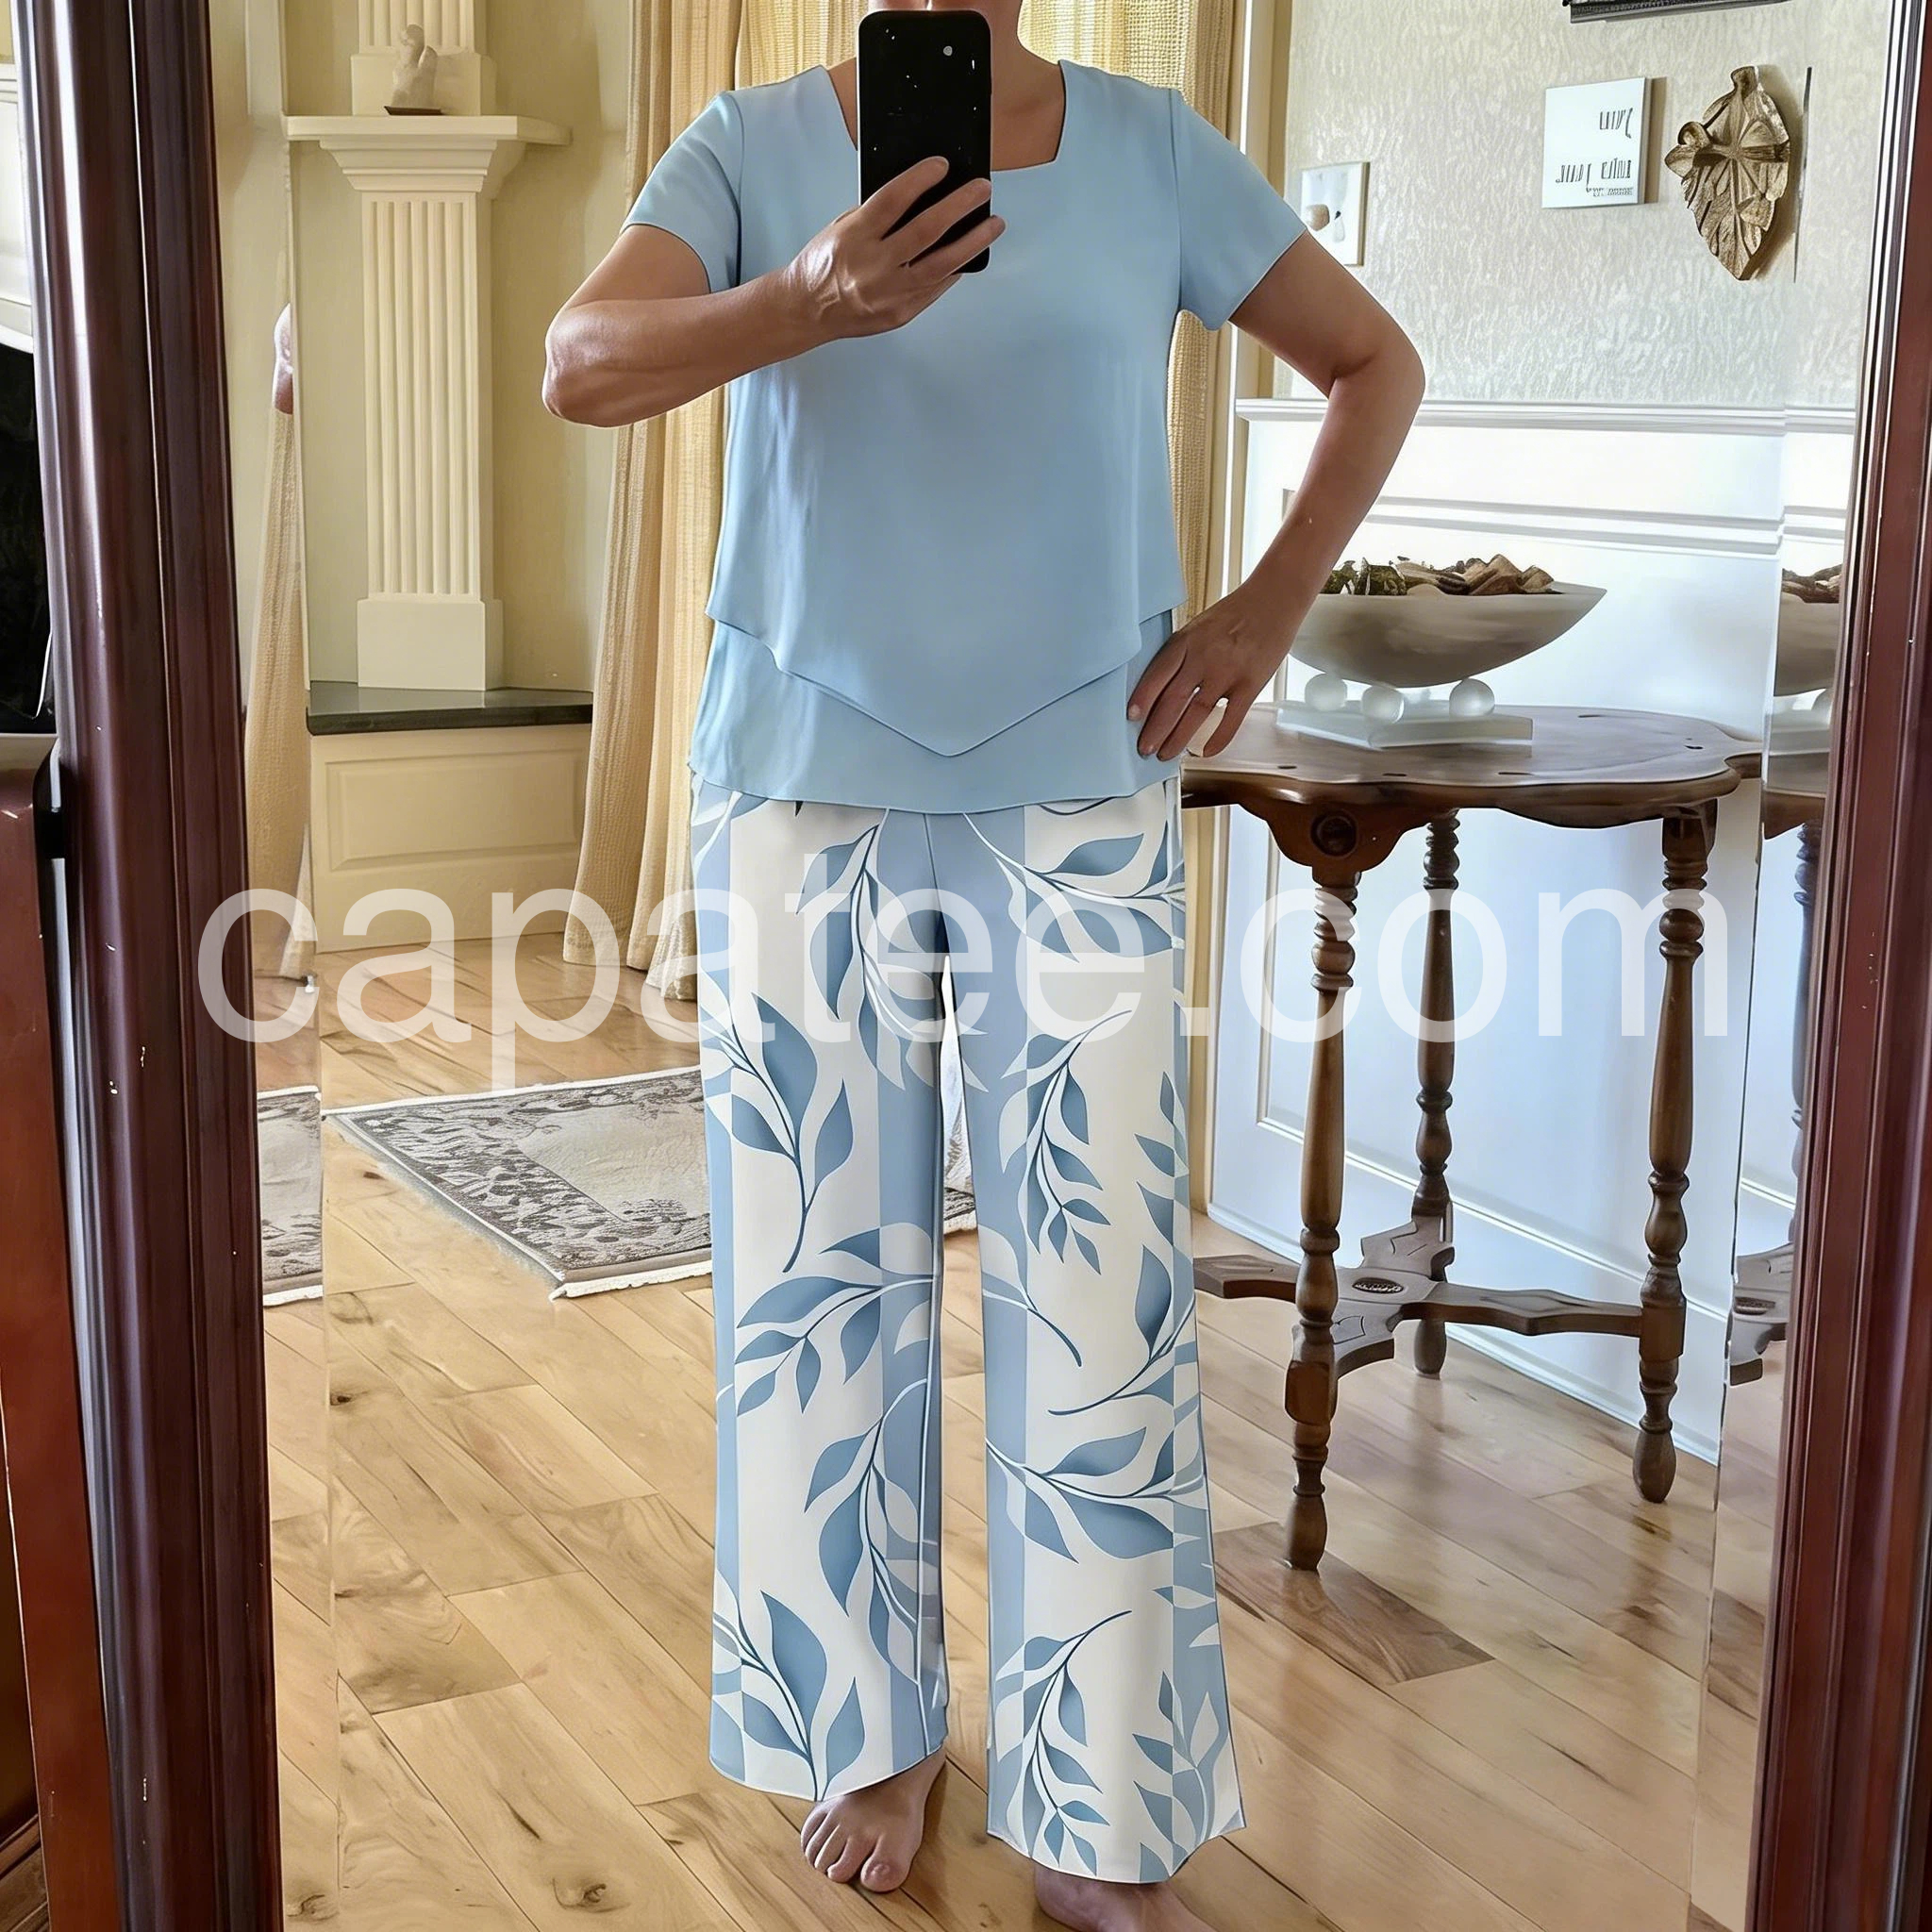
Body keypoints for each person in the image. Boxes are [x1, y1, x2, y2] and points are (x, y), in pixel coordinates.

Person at [545, 7, 1422, 1927]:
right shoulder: (749, 143)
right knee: (814, 1286)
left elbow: (1375, 362)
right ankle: (866, 1729)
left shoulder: (1156, 150)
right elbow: (580, 365)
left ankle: (1099, 1794)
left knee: (1099, 1305)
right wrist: (803, 301)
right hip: (801, 778)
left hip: (1079, 779)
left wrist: (1263, 613)